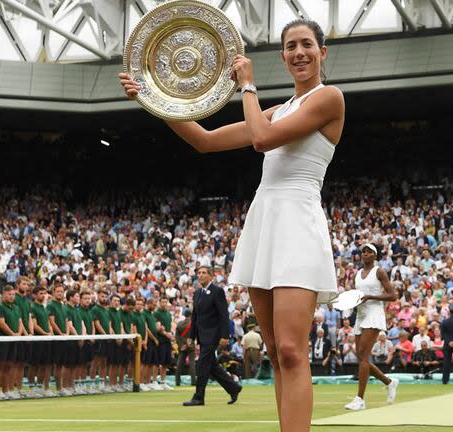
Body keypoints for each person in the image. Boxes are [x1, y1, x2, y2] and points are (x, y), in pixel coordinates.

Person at [120, 17, 345, 432]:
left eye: (307, 45)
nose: (299, 52)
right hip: (265, 221)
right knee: (276, 350)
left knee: (294, 350)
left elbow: (261, 139)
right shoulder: (280, 109)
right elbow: (205, 141)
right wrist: (150, 99)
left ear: (322, 52)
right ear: (283, 55)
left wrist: (247, 85)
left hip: (298, 222)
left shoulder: (329, 98)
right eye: (291, 46)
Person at [345, 243, 399, 411]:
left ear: (375, 256)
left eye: (369, 252)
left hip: (374, 314)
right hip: (361, 315)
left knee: (362, 357)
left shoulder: (379, 271)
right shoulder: (357, 274)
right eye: (363, 252)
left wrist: (370, 296)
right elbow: (358, 295)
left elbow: (392, 295)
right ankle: (389, 382)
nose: (366, 254)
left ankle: (360, 399)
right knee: (363, 358)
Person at [183, 266, 242, 406]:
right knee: (211, 366)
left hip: (213, 335)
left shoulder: (217, 291)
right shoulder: (197, 293)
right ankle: (233, 388)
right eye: (199, 273)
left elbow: (223, 315)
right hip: (202, 335)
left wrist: (225, 335)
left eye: (204, 273)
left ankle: (199, 397)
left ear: (211, 276)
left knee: (202, 365)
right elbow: (195, 316)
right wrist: (191, 336)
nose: (201, 275)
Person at [0, 284, 23, 400]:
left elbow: (20, 322)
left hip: (13, 340)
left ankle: (7, 390)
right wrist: (12, 334)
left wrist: (18, 334)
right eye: (9, 294)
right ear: (3, 294)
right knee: (0, 365)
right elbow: (1, 323)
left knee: (9, 365)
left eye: (13, 294)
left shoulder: (16, 307)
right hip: (2, 340)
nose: (11, 296)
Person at [29, 286, 53, 397]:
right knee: (34, 365)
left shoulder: (44, 307)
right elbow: (34, 324)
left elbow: (48, 322)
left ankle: (39, 386)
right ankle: (31, 388)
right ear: (34, 295)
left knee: (45, 364)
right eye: (40, 293)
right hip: (37, 340)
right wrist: (45, 333)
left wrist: (50, 332)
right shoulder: (33, 307)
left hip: (47, 339)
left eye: (44, 293)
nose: (43, 295)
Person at [175, 309, 196, 387]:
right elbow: (195, 334)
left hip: (182, 346)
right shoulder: (193, 324)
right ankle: (193, 381)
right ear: (191, 315)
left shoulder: (180, 324)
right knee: (192, 364)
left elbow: (177, 336)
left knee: (179, 364)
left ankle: (177, 382)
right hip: (191, 345)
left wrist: (181, 345)